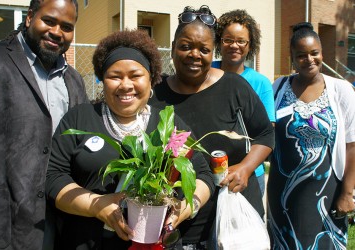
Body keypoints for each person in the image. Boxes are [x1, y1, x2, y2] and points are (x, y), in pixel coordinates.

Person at [45, 29, 215, 249]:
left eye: (135, 76)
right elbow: (53, 177)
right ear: (102, 80)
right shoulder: (80, 119)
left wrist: (185, 208)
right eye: (115, 76)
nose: (126, 85)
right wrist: (96, 206)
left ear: (151, 79)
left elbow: (203, 173)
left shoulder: (168, 123)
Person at [149, 5, 274, 249]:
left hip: (233, 216)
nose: (194, 54)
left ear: (212, 52)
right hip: (178, 224)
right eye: (185, 46)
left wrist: (246, 168)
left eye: (204, 49)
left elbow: (266, 134)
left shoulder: (233, 87)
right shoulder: (156, 93)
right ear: (173, 47)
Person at [0, 0, 88, 249]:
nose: (57, 32)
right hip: (3, 228)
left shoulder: (73, 80)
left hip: (61, 224)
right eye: (49, 21)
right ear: (30, 17)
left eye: (67, 26)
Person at [267, 22, 355, 249]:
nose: (309, 60)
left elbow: (352, 145)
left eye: (314, 53)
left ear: (321, 53)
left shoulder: (341, 90)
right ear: (292, 58)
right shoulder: (278, 86)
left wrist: (347, 192)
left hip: (326, 192)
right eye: (301, 55)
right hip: (282, 193)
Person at [213, 9, 275, 197]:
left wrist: (246, 168)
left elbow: (267, 130)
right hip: (209, 170)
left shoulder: (260, 82)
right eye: (228, 40)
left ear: (250, 45)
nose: (235, 46)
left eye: (241, 41)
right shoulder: (206, 71)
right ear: (219, 41)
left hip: (248, 174)